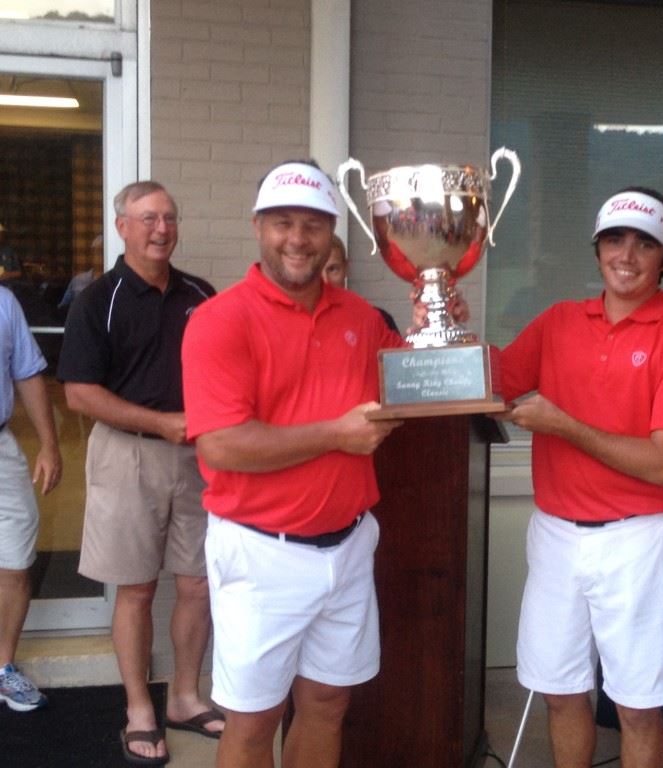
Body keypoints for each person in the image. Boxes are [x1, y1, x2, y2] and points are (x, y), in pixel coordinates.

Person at [180, 159, 405, 768]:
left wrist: (441, 325)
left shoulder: (361, 318)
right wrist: (337, 434)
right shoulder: (218, 320)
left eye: (312, 225)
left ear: (332, 232)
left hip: (349, 545)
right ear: (258, 226)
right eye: (283, 223)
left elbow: (417, 385)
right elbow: (222, 445)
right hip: (261, 553)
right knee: (253, 722)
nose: (298, 239)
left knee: (328, 703)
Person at [497, 187, 663, 768]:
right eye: (615, 239)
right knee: (561, 691)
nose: (627, 254)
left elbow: (662, 462)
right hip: (556, 535)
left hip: (635, 539)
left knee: (638, 705)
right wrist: (441, 330)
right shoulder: (559, 321)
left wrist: (563, 424)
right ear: (597, 251)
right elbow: (492, 380)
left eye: (645, 243)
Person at [57, 181, 221, 765]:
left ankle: (183, 696)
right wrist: (161, 422)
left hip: (200, 457)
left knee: (198, 583)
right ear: (122, 225)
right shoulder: (96, 299)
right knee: (135, 588)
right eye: (148, 217)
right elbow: (79, 394)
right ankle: (138, 709)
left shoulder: (201, 294)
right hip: (127, 454)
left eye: (170, 217)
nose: (161, 228)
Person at [0, 285, 62, 712]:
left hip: (1, 447)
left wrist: (49, 444)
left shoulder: (4, 303)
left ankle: (3, 667)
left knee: (17, 561)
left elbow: (26, 372)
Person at [322, 233, 400, 332]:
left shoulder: (378, 321)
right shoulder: (297, 326)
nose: (325, 281)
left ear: (346, 268)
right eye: (317, 271)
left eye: (333, 269)